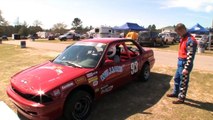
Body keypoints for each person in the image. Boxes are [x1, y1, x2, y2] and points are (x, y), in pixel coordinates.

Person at [167, 23, 197, 104]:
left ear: (183, 30)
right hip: (180, 62)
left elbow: (190, 56)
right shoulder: (183, 37)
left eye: (178, 32)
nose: (178, 34)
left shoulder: (190, 40)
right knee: (177, 78)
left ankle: (181, 98)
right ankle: (175, 93)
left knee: (183, 82)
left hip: (185, 63)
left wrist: (187, 68)